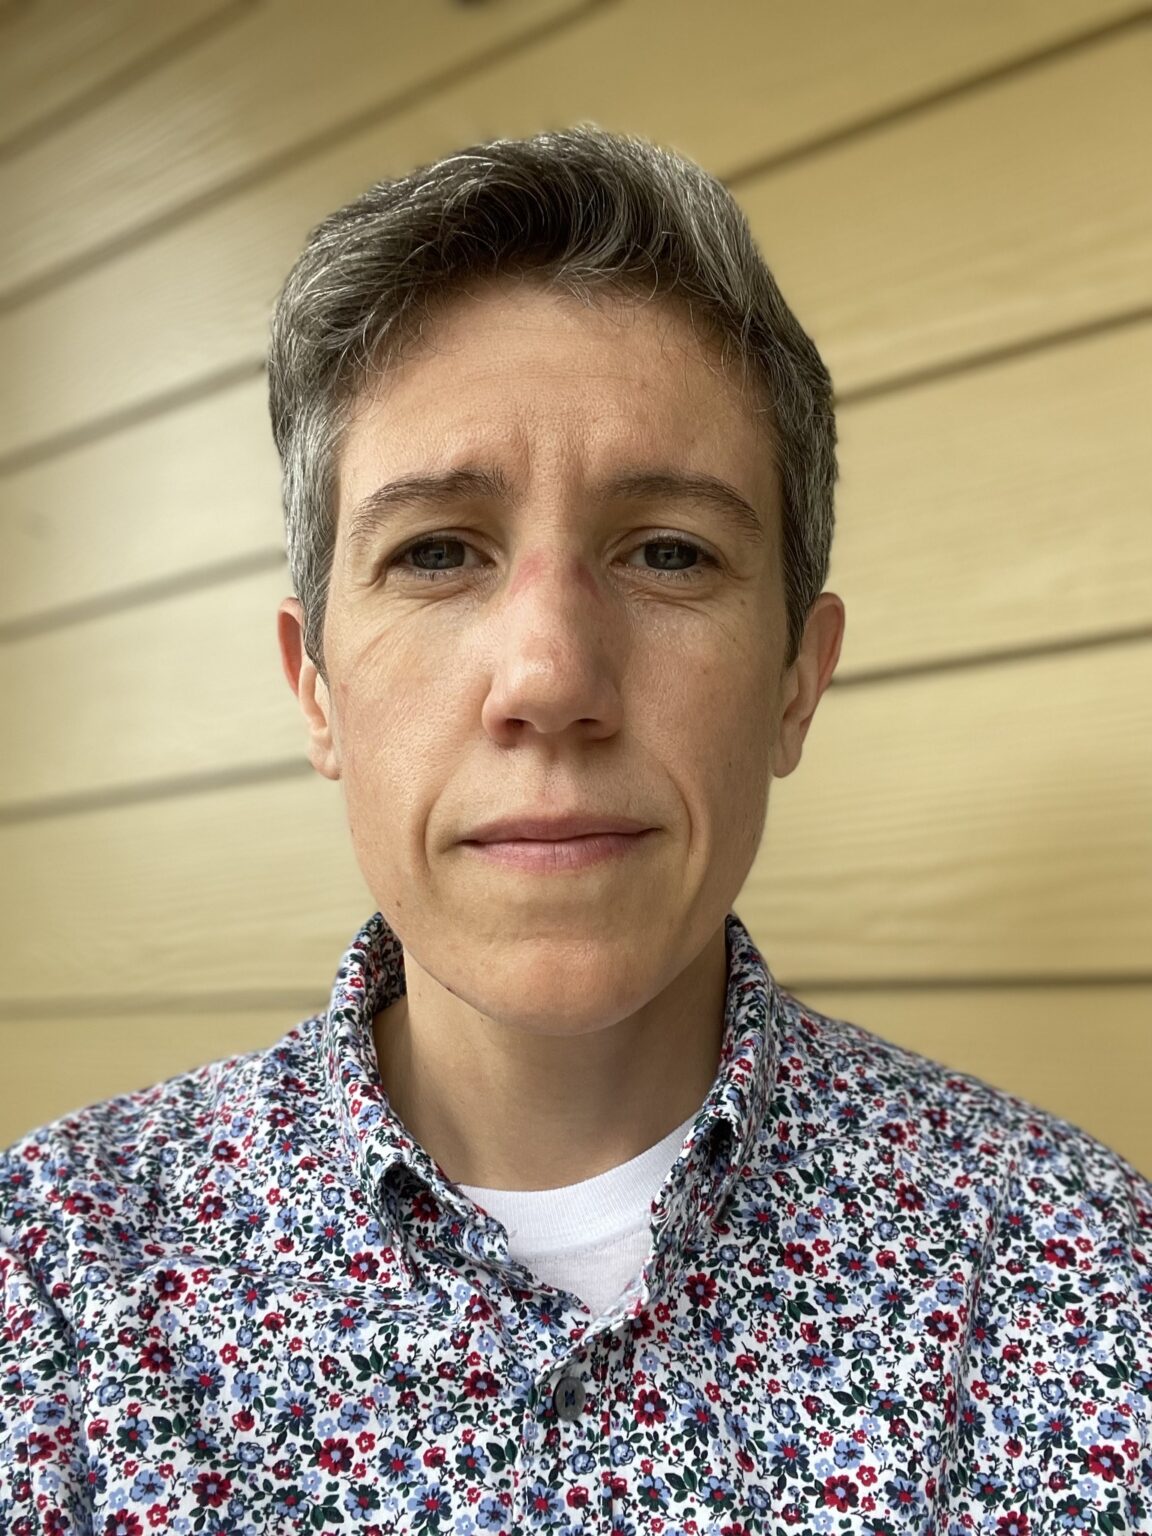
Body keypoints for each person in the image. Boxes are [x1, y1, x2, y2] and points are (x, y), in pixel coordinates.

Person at [1, 126, 1148, 1535]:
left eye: (669, 551)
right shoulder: (53, 1288)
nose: (549, 677)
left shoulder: (1081, 1277)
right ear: (316, 689)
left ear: (797, 681)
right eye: (437, 552)